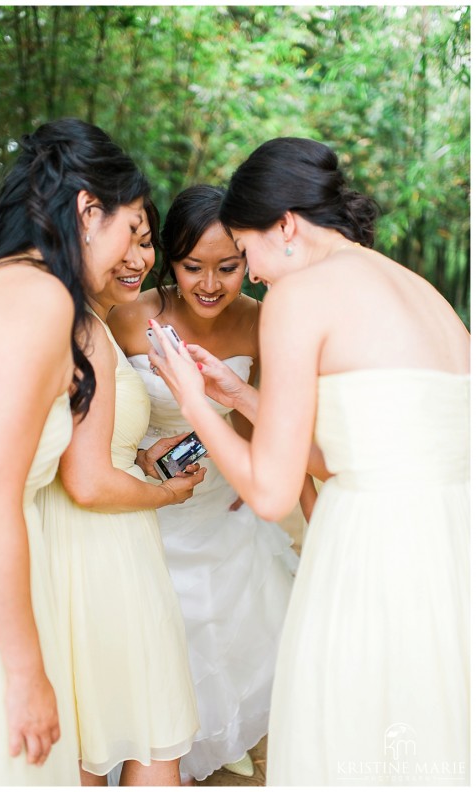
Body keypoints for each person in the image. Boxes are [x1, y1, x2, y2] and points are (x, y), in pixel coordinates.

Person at [148, 138, 470, 786]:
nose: (255, 274)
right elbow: (343, 457)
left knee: (356, 739)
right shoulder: (423, 293)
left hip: (373, 557)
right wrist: (237, 394)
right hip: (452, 546)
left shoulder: (300, 298)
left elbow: (270, 494)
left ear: (286, 225)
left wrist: (190, 399)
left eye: (247, 252)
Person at [0, 116, 141, 784]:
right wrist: (27, 673)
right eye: (128, 230)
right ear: (90, 211)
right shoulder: (37, 299)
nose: (130, 254)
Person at [107, 184, 314, 784]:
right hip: (149, 506)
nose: (210, 284)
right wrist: (146, 453)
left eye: (228, 267)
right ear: (169, 259)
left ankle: (217, 738)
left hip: (224, 505)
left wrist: (289, 507)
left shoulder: (258, 319)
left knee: (233, 632)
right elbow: (103, 425)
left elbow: (269, 431)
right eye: (193, 266)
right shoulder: (127, 318)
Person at [35, 193, 205, 787]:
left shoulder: (82, 320)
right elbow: (87, 481)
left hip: (79, 546)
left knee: (90, 738)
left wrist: (136, 455)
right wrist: (167, 495)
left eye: (146, 240)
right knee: (147, 735)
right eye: (128, 236)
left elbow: (75, 444)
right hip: (104, 553)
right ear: (82, 229)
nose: (138, 257)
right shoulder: (83, 326)